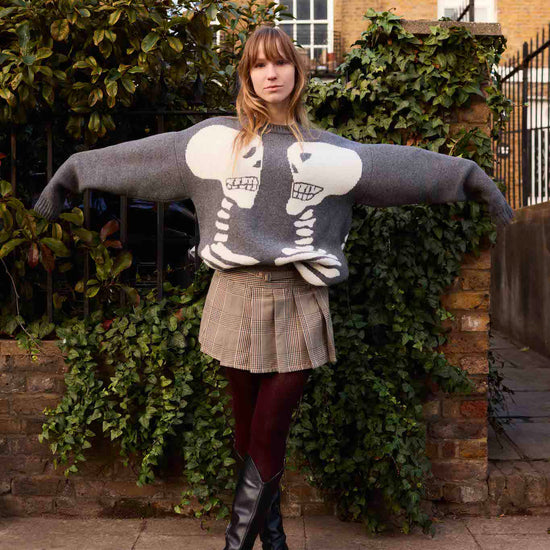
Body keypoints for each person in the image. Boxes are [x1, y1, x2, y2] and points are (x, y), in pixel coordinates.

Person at [33, 25, 514, 550]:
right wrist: (71, 174)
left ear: (297, 71)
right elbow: (137, 159)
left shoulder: (331, 155)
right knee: (248, 434)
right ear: (246, 75)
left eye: (280, 62)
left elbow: (402, 167)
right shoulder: (211, 143)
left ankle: (236, 543)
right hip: (233, 296)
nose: (271, 74)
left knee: (269, 430)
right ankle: (274, 535)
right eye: (259, 65)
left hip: (299, 298)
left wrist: (473, 178)